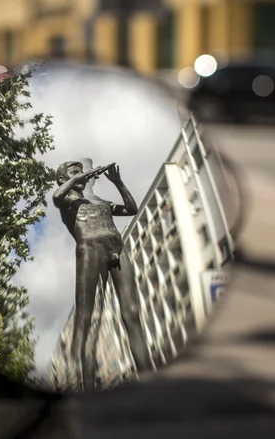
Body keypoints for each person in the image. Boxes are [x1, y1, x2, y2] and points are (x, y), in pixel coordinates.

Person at [53, 160, 153, 391]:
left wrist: (119, 183)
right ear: (64, 179)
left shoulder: (99, 201)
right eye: (75, 172)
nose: (83, 174)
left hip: (117, 249)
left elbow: (131, 209)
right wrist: (75, 180)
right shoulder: (67, 200)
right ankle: (86, 388)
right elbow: (57, 196)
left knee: (132, 314)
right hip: (90, 252)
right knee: (88, 318)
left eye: (82, 171)